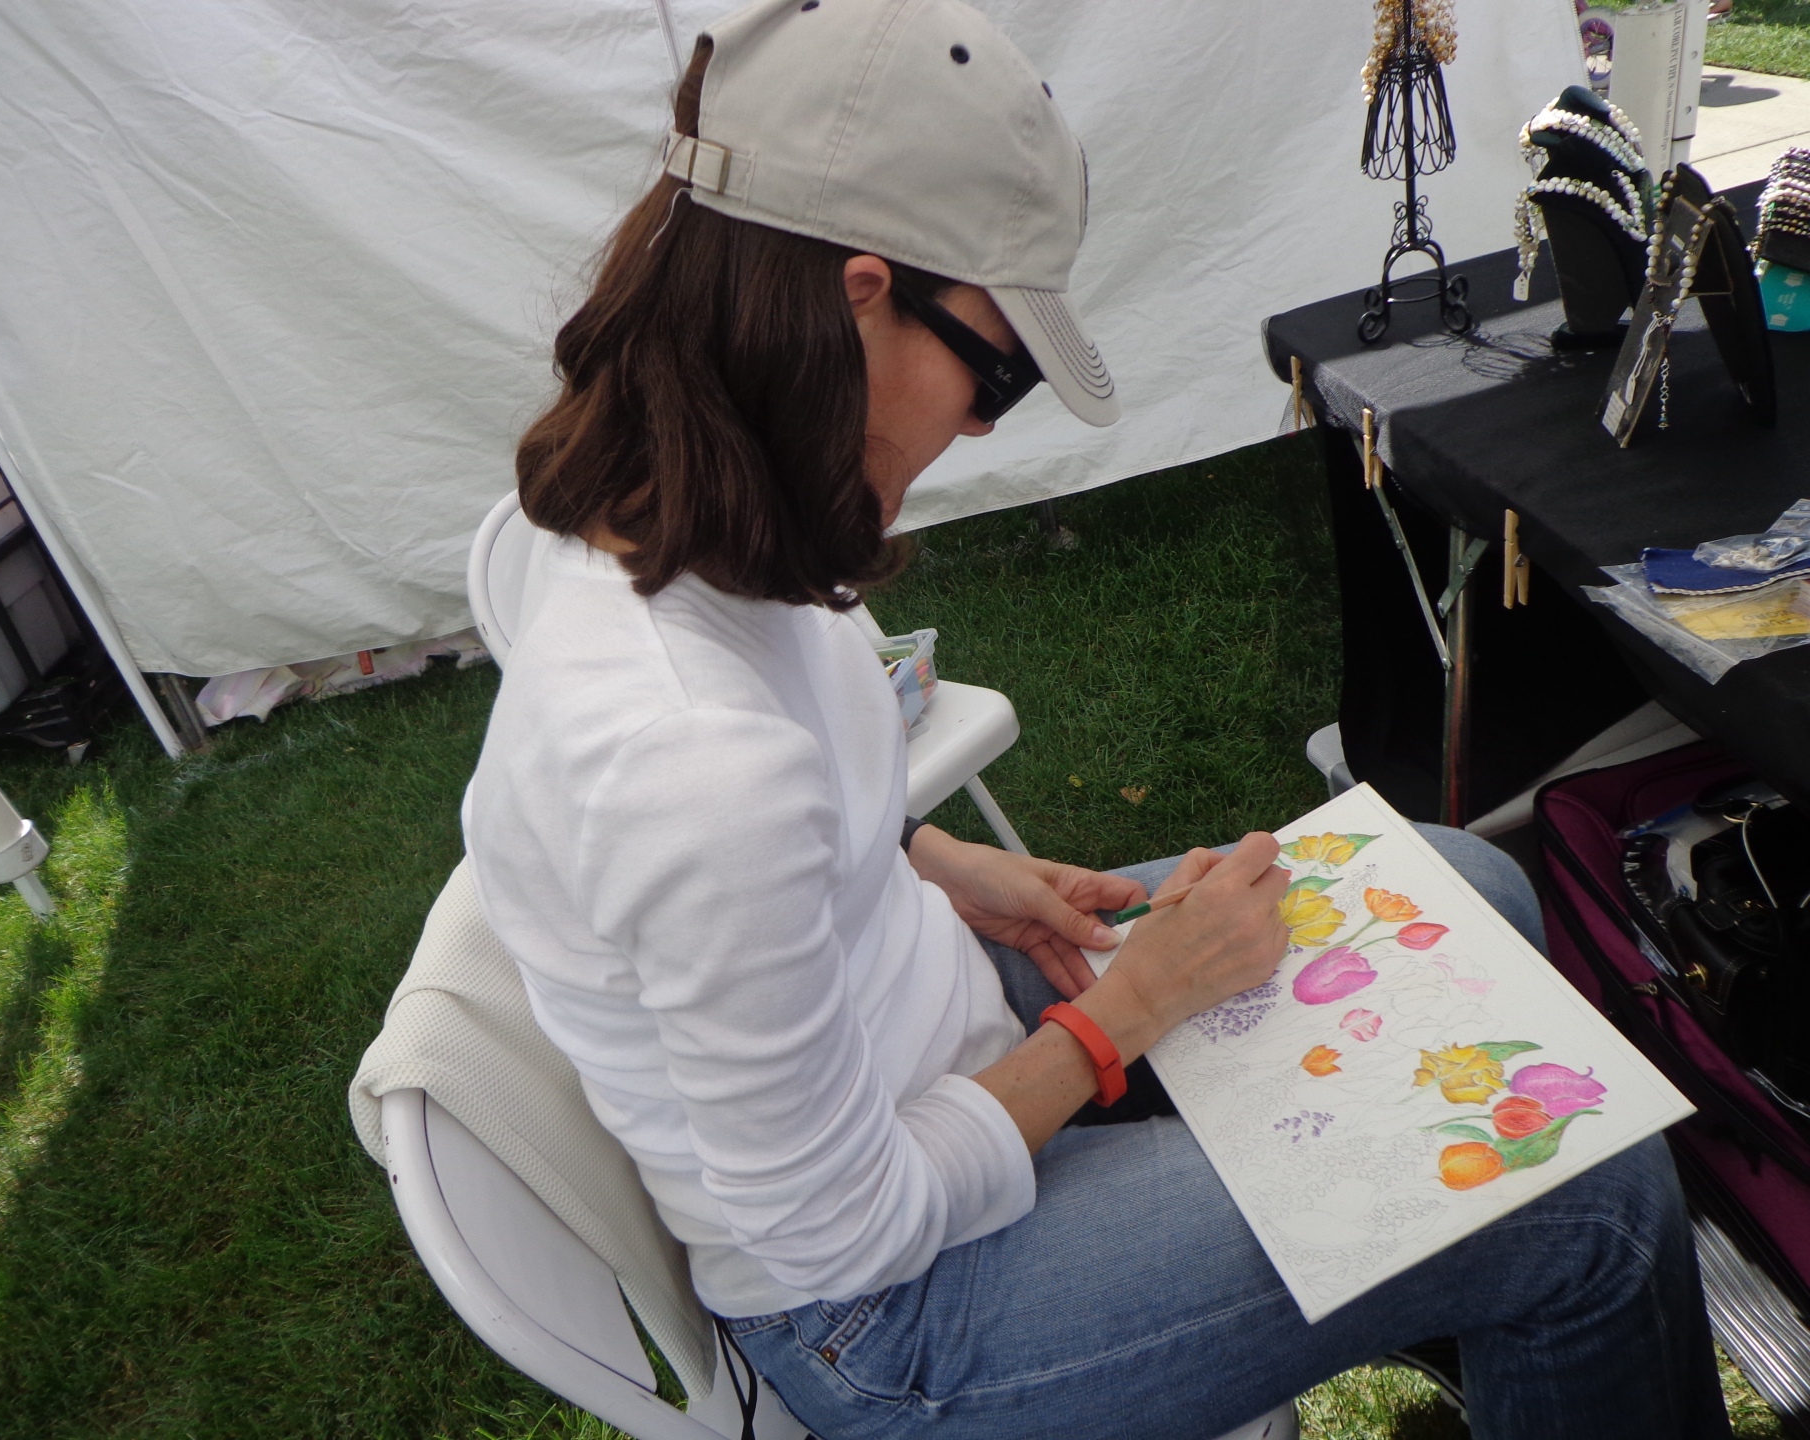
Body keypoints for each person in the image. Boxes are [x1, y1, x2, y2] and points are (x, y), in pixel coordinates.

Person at [464, 2, 1731, 1436]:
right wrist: (1126, 1015)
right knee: (1594, 1199)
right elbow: (841, 1240)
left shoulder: (616, 509)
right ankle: (1517, 1285)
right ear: (852, 295)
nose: (988, 425)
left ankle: (1482, 1314)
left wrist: (938, 862)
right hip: (898, 1314)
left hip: (931, 1035)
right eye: (994, 369)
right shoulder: (687, 758)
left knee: (1462, 878)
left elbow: (738, 846)